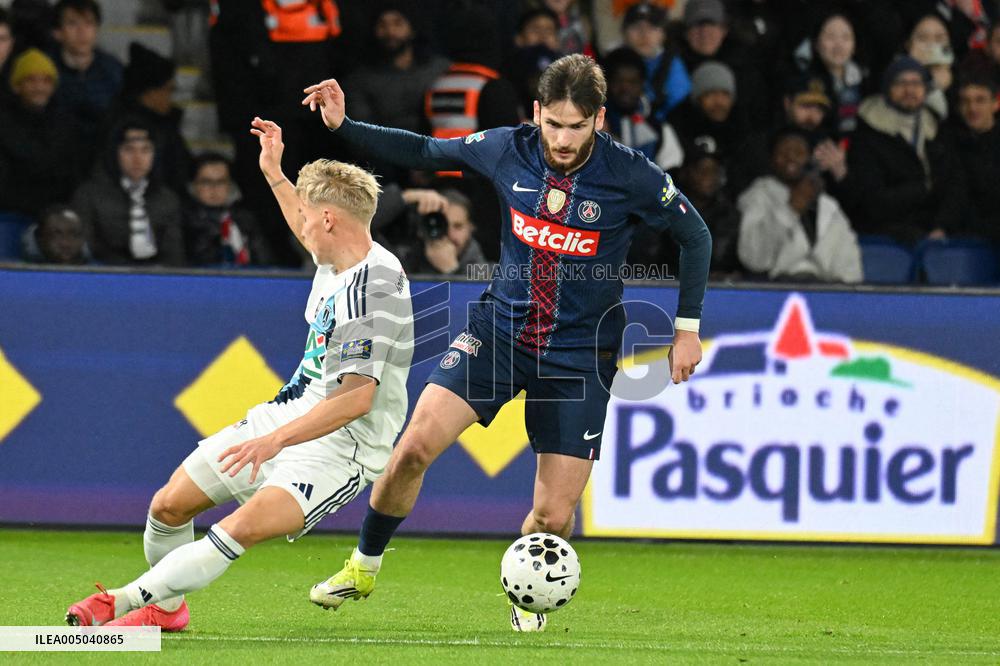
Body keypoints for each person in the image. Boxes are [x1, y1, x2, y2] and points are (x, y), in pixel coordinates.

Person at [299, 53, 710, 632]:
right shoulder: (505, 148)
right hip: (498, 334)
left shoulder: (631, 174)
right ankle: (362, 566)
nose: (563, 140)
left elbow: (695, 235)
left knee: (552, 514)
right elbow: (423, 151)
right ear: (537, 112)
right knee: (412, 448)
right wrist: (344, 128)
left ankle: (528, 600)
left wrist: (687, 329)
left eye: (578, 126)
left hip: (578, 355)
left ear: (600, 120)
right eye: (554, 124)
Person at [64, 117, 415, 632]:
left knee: (236, 530)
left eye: (309, 219)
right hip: (287, 415)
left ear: (330, 220)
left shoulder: (374, 289)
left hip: (342, 447)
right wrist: (274, 171)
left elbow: (355, 400)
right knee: (169, 506)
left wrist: (275, 442)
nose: (300, 228)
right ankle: (167, 609)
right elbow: (303, 217)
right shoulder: (336, 256)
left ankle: (118, 603)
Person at [848, 56, 967, 246]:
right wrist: (922, 190)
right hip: (886, 240)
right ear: (887, 88)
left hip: (936, 236)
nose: (910, 90)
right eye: (901, 83)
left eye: (916, 83)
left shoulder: (938, 131)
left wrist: (942, 226)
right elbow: (872, 201)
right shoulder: (867, 135)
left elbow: (954, 187)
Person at [737, 127, 862, 283]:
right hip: (773, 292)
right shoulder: (758, 196)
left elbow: (851, 270)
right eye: (783, 152)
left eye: (798, 152)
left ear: (809, 157)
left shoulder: (828, 206)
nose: (790, 158)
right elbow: (755, 260)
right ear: (772, 159)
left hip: (824, 293)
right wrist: (790, 210)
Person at [71, 121, 185, 266]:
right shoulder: (88, 195)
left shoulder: (167, 199)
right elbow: (85, 249)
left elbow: (174, 255)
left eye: (145, 150)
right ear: (114, 153)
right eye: (129, 149)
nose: (137, 158)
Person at [0, 48, 86, 218]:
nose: (39, 87)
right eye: (31, 80)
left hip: (58, 213)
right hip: (10, 213)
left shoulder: (67, 123)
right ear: (17, 86)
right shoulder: (3, 122)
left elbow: (73, 174)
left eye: (46, 81)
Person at [49, 0, 123, 149]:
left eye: (89, 23)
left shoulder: (113, 69)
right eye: (72, 24)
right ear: (57, 32)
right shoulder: (46, 68)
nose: (82, 31)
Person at [183, 152, 273, 267]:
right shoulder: (183, 220)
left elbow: (266, 262)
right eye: (206, 182)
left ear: (230, 185)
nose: (214, 189)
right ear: (193, 185)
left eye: (221, 182)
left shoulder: (245, 219)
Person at [942, 76, 1000, 245]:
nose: (972, 108)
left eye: (980, 100)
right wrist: (942, 226)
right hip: (968, 237)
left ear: (995, 104)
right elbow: (955, 194)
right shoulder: (950, 142)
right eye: (965, 101)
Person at [621, 2, 690, 122]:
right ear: (624, 33)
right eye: (636, 27)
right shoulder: (613, 65)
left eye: (652, 28)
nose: (644, 34)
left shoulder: (672, 65)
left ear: (663, 34)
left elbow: (679, 107)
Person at [402, 188, 489, 276]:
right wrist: (408, 196)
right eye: (440, 225)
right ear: (421, 229)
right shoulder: (402, 262)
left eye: (458, 226)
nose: (450, 234)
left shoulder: (490, 274)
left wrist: (451, 270)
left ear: (471, 228)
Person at [21, 205, 91, 264]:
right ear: (40, 238)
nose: (66, 244)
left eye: (74, 235)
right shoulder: (15, 273)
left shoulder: (98, 273)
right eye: (56, 235)